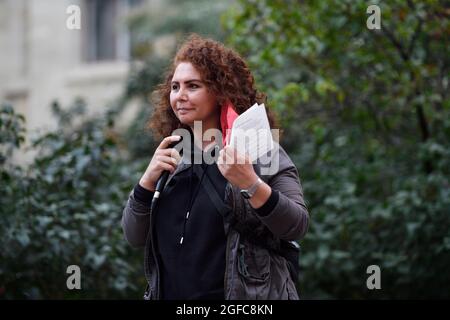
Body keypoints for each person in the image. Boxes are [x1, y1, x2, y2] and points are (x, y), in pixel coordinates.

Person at [121, 34, 309, 300]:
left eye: (193, 86)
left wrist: (251, 184)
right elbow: (133, 235)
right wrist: (145, 183)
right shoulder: (172, 156)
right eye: (175, 87)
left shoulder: (258, 151)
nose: (180, 96)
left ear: (220, 91)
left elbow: (296, 225)